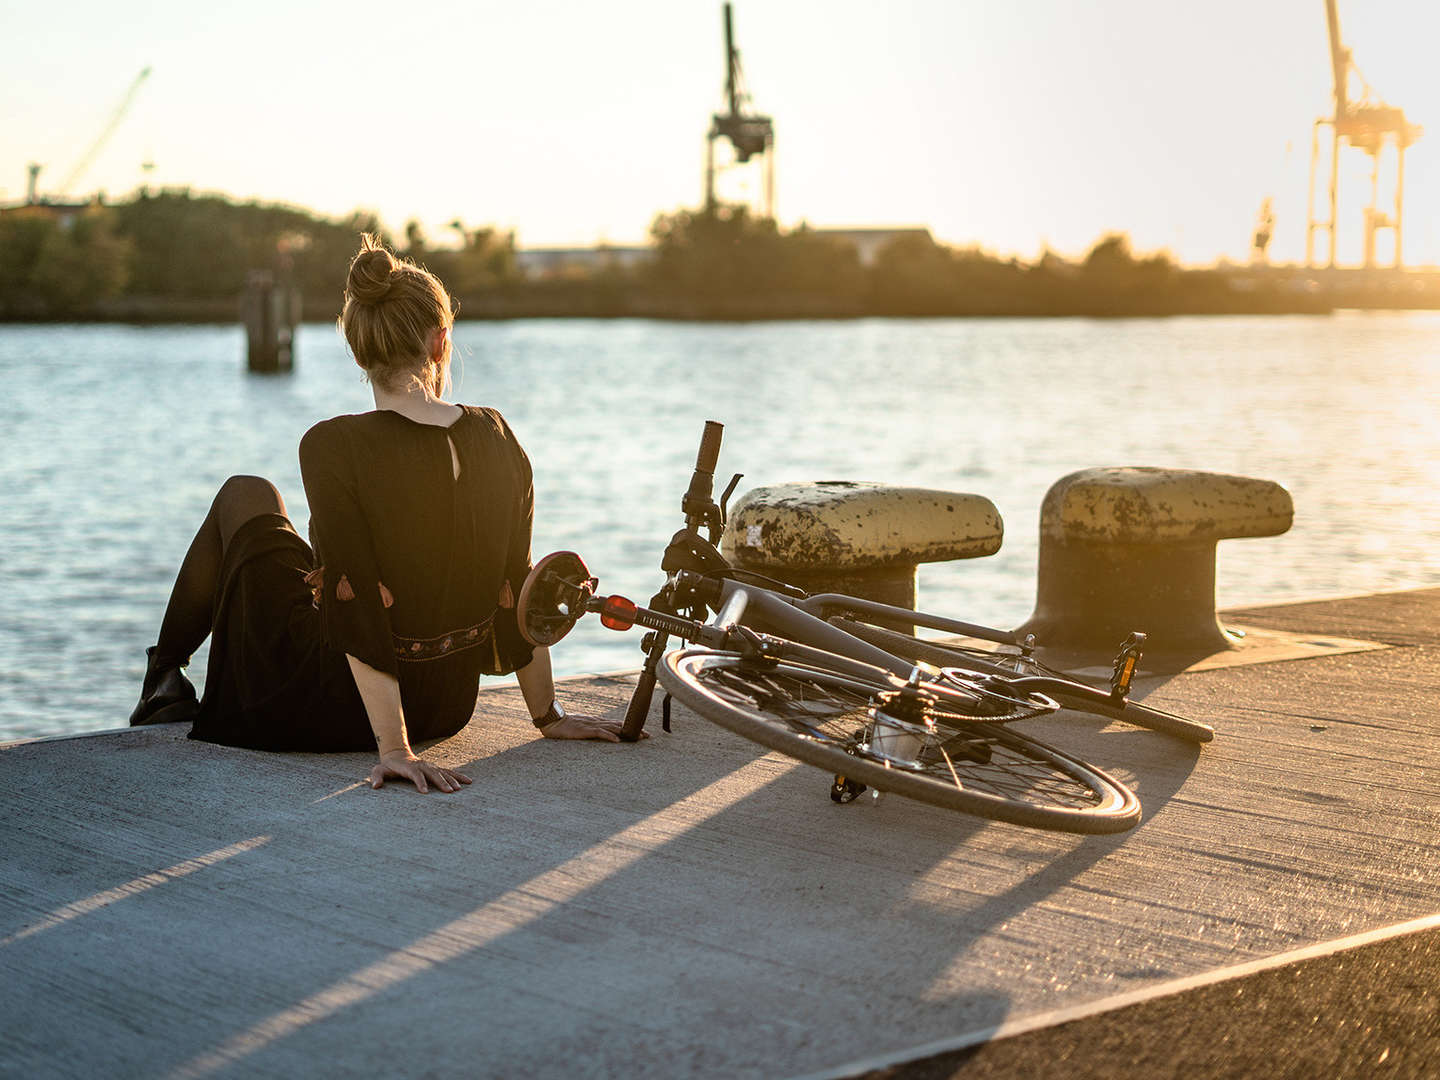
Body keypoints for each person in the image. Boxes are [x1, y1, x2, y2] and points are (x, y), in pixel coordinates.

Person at [128, 235, 627, 792]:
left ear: (359, 349)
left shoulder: (332, 444)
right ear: (440, 344)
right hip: (443, 708)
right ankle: (165, 677)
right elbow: (521, 583)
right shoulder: (496, 433)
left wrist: (395, 748)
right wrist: (548, 716)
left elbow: (355, 594)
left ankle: (164, 676)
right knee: (300, 553)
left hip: (331, 706)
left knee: (247, 493)